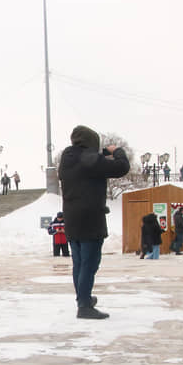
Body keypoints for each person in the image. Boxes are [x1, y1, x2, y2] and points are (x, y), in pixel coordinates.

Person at [59, 125, 130, 320]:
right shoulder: (90, 159)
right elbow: (122, 167)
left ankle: (84, 299)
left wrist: (98, 155)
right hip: (90, 218)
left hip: (72, 217)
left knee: (79, 262)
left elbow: (88, 167)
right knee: (90, 264)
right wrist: (117, 152)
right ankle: (84, 306)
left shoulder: (66, 159)